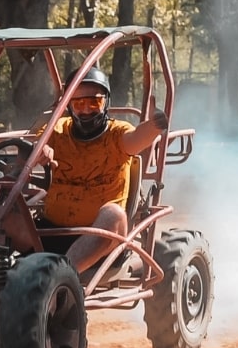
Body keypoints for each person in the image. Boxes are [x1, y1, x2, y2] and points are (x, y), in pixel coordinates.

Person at [35, 66, 169, 274]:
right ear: (69, 105)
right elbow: (33, 149)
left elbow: (134, 141)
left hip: (101, 240)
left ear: (106, 101)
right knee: (5, 207)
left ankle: (59, 277)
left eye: (94, 102)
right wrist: (40, 150)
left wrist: (154, 126)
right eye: (79, 103)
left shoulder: (116, 133)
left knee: (114, 214)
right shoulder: (57, 129)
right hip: (50, 233)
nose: (86, 110)